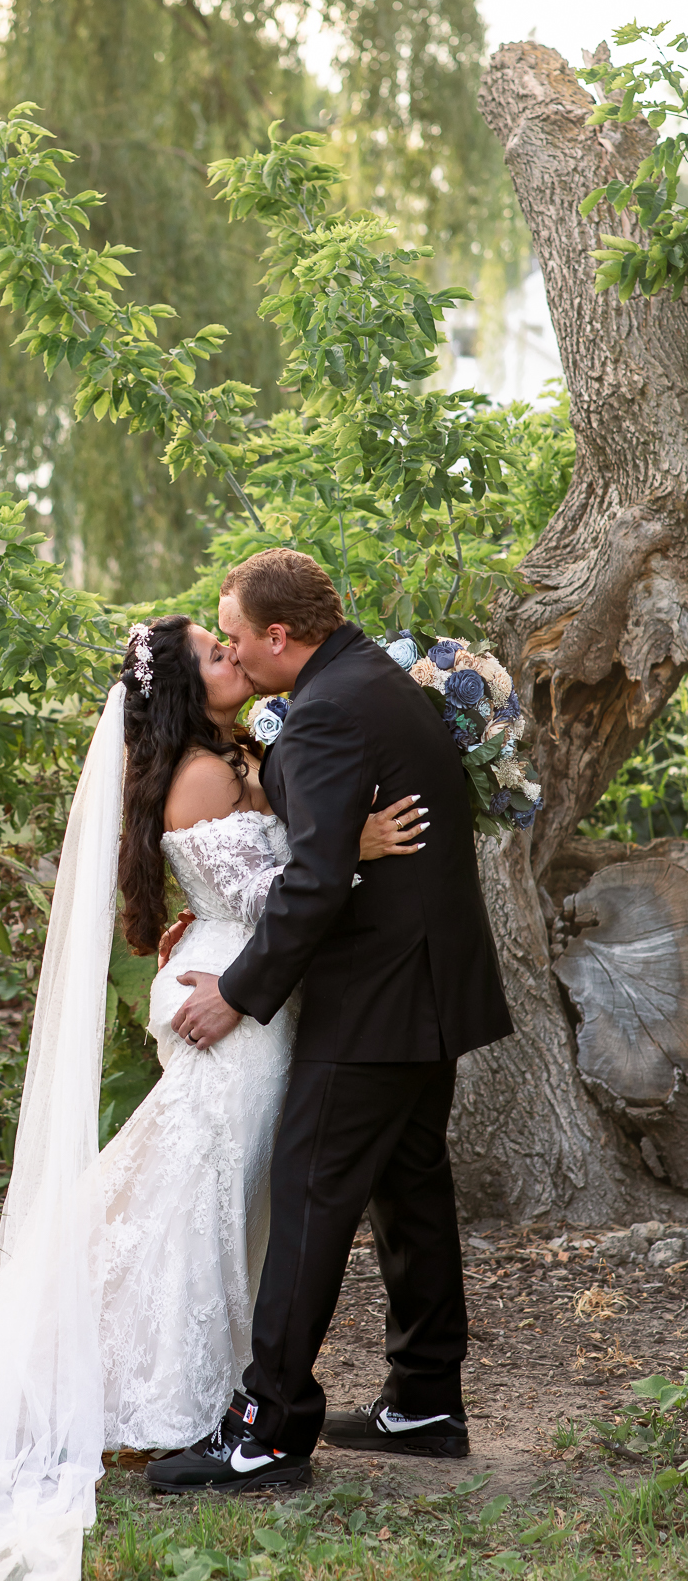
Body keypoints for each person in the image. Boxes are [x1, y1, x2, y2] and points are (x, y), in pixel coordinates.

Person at [0, 613, 422, 1581]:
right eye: (216, 653)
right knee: (204, 1189)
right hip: (234, 1003)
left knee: (196, 1186)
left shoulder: (232, 754)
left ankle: (224, 1381)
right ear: (186, 688)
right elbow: (280, 898)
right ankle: (179, 1395)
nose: (234, 657)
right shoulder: (203, 774)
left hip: (240, 989)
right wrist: (349, 843)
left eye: (231, 644)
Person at [153, 550, 513, 1496]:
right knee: (407, 1184)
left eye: (234, 636)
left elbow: (314, 881)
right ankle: (425, 1398)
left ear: (279, 635)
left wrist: (236, 990)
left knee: (310, 1194)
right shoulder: (374, 680)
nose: (231, 651)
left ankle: (268, 1433)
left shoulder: (319, 715)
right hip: (427, 984)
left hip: (377, 998)